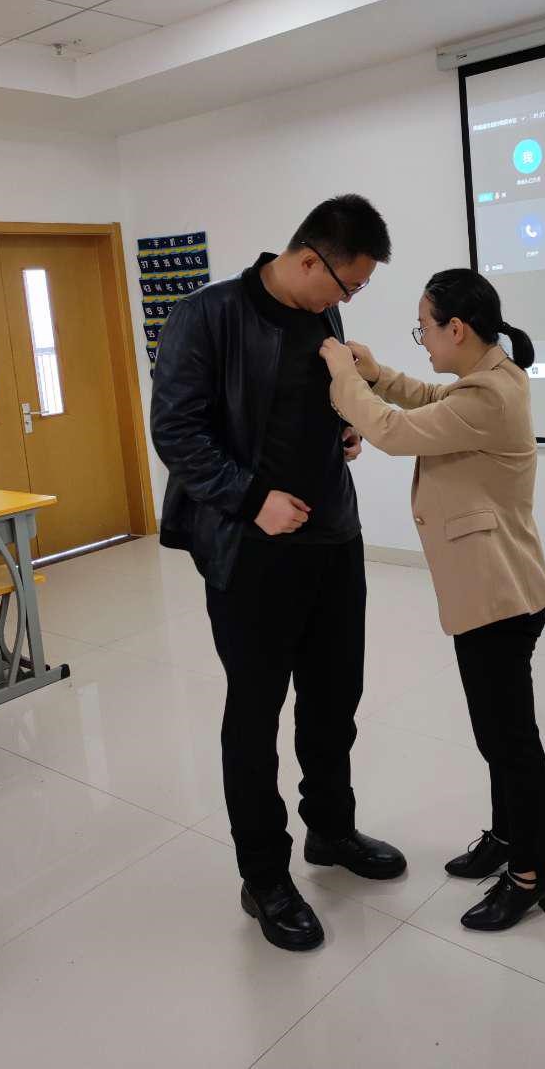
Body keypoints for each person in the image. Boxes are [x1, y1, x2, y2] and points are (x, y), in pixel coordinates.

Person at [151, 195, 406, 953]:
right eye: (349, 284)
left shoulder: (323, 315)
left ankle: (330, 830)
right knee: (256, 711)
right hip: (252, 549)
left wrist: (344, 427)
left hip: (333, 539)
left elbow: (308, 403)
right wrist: (250, 497)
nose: (348, 299)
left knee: (334, 699)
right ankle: (263, 874)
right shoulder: (208, 316)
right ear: (307, 259)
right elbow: (176, 430)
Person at [320, 268, 545, 932]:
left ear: (457, 329)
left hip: (497, 597)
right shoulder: (488, 378)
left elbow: (395, 432)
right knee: (497, 734)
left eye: (423, 328)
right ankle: (507, 837)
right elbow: (430, 398)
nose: (421, 339)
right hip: (491, 589)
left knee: (509, 740)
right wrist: (376, 372)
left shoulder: (490, 395)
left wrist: (342, 376)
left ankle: (531, 874)